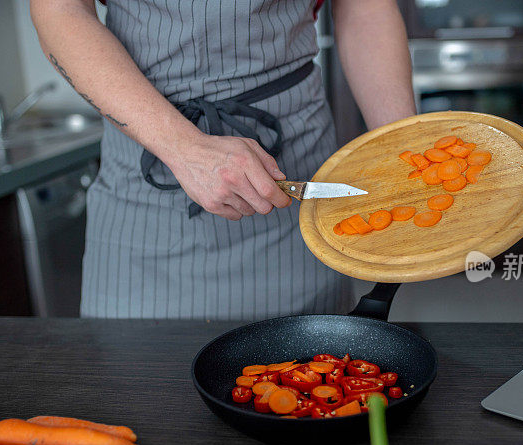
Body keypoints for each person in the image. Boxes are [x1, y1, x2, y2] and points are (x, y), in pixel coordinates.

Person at [30, 0, 416, 320]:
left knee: (315, 384)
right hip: (146, 187)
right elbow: (60, 10)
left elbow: (366, 8)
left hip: (300, 189)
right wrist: (183, 147)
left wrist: (406, 155)